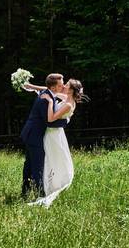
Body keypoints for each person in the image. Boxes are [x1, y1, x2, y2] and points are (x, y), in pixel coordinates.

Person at [28, 78, 85, 208]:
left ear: (70, 90)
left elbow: (51, 118)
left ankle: (51, 186)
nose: (63, 85)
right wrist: (31, 86)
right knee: (52, 159)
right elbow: (48, 90)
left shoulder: (68, 104)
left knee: (51, 159)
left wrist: (49, 102)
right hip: (54, 134)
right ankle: (49, 184)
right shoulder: (66, 97)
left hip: (53, 135)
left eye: (66, 84)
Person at [19, 73, 68, 199]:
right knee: (37, 166)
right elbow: (49, 122)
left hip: (31, 133)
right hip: (34, 135)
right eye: (60, 84)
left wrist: (32, 86)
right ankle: (40, 195)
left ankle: (25, 192)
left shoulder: (49, 93)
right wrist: (66, 121)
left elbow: (44, 88)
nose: (63, 85)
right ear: (53, 88)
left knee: (29, 164)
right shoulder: (45, 100)